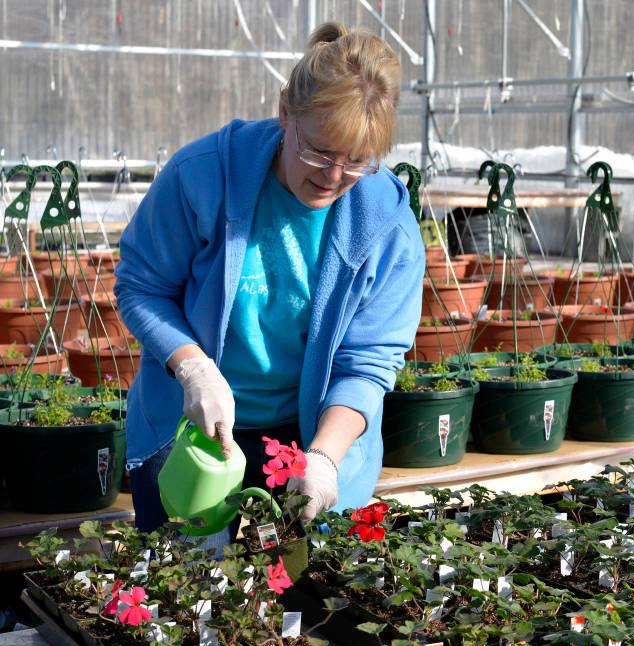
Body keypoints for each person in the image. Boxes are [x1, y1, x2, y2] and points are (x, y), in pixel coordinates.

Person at [114, 22, 424, 538]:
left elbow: (368, 362)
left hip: (308, 440)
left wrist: (324, 458)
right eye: (320, 152)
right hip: (192, 437)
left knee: (298, 608)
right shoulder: (205, 175)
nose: (333, 176)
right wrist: (193, 370)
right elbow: (141, 286)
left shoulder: (387, 224)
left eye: (357, 162)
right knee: (185, 598)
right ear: (285, 112)